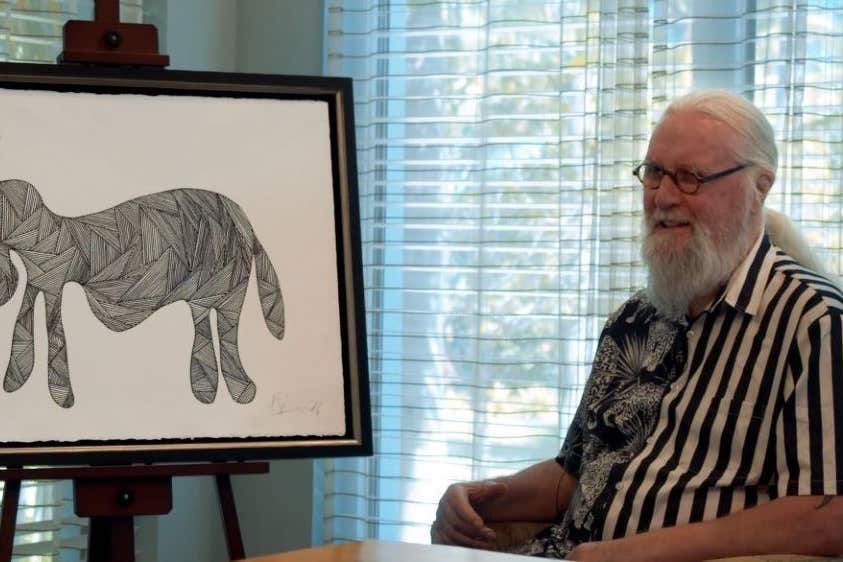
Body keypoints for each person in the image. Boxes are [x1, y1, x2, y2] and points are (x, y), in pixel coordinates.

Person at [430, 90, 843, 561]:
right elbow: (580, 471)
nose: (662, 197)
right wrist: (481, 496)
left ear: (759, 187)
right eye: (654, 173)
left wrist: (631, 553)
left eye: (690, 177)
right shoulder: (635, 318)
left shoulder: (814, 322)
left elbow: (827, 514)